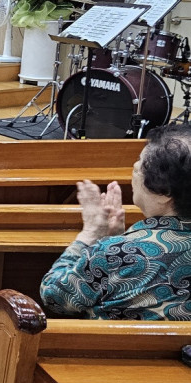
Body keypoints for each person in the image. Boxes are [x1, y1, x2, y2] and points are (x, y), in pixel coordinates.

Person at [40, 124, 191, 320]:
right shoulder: (119, 251)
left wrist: (91, 234)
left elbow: (54, 297)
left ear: (164, 193)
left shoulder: (114, 254)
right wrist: (120, 240)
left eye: (138, 167)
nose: (134, 169)